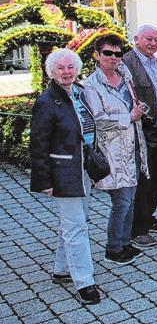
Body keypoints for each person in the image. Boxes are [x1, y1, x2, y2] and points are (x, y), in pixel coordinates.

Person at [29, 49, 100, 305]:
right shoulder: (47, 102)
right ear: (52, 72)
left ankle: (61, 270)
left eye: (71, 67)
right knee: (76, 227)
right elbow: (38, 145)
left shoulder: (79, 93)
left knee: (76, 222)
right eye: (61, 68)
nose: (67, 72)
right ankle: (85, 281)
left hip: (82, 169)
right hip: (63, 172)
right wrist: (44, 181)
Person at [85, 34, 149, 265]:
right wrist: (128, 117)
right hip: (112, 150)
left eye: (118, 53)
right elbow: (98, 119)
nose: (113, 58)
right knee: (121, 202)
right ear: (97, 55)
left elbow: (132, 105)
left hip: (132, 147)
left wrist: (138, 109)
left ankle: (124, 243)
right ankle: (113, 248)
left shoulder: (125, 76)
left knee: (130, 199)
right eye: (108, 53)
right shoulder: (92, 85)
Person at [122, 24, 157, 248]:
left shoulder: (156, 62)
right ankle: (137, 228)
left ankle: (148, 217)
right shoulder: (128, 62)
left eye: (156, 40)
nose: (153, 43)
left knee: (156, 178)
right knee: (144, 180)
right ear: (136, 39)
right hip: (142, 130)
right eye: (148, 39)